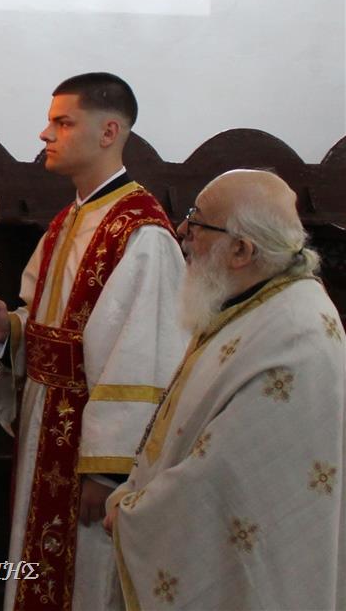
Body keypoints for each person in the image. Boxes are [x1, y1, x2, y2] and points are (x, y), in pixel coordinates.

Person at [0, 73, 187, 611]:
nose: (46, 134)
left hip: (89, 453)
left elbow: (143, 356)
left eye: (63, 122)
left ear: (109, 131)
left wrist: (108, 469)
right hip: (46, 424)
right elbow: (48, 320)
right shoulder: (70, 218)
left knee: (86, 579)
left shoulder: (141, 232)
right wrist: (10, 329)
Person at [104, 169, 345, 610]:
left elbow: (230, 474)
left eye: (197, 221)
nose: (182, 231)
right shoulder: (247, 302)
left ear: (241, 250)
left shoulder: (297, 335)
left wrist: (136, 513)